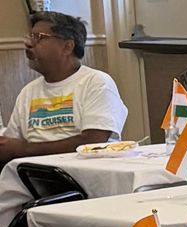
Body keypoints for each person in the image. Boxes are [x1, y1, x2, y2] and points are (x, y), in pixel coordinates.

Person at [0, 12, 128, 163]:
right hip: (32, 175)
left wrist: (26, 149)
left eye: (38, 37)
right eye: (30, 37)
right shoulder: (29, 91)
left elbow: (94, 141)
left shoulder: (96, 82)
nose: (29, 44)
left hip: (81, 176)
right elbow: (11, 146)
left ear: (67, 47)